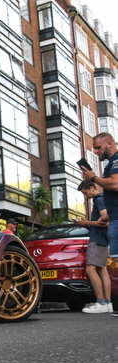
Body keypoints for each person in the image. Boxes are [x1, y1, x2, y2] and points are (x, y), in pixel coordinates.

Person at [82, 132, 118, 316]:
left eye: (98, 147)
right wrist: (108, 217)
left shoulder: (116, 161)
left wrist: (94, 177)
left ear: (110, 144)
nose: (96, 151)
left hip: (112, 225)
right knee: (109, 267)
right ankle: (109, 304)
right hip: (114, 219)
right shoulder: (111, 164)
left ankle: (103, 302)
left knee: (94, 268)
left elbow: (115, 184)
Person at [73, 180, 112, 314]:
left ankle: (101, 303)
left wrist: (86, 221)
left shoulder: (98, 200)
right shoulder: (102, 199)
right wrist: (85, 224)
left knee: (90, 269)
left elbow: (106, 222)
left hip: (97, 239)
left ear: (91, 188)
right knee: (102, 270)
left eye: (85, 193)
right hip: (103, 239)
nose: (86, 196)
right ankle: (107, 303)